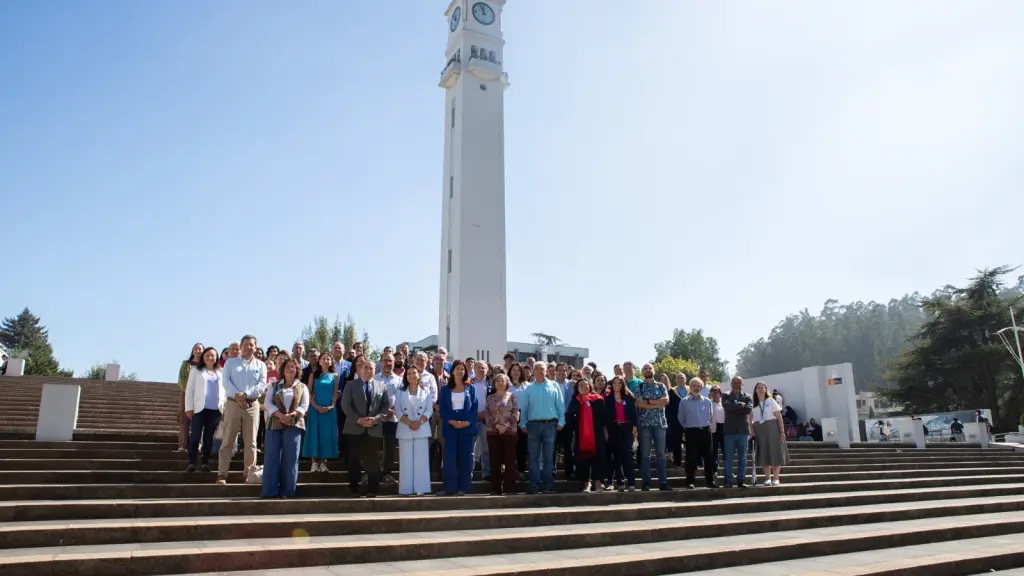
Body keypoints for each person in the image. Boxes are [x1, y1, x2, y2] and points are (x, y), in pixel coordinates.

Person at [217, 335, 267, 485]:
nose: (248, 347)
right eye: (246, 344)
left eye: (251, 345)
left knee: (251, 442)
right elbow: (225, 382)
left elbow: (261, 386)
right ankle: (222, 474)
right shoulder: (231, 362)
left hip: (252, 406)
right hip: (233, 403)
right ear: (241, 346)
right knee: (228, 439)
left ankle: (249, 474)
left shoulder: (261, 365)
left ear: (255, 347)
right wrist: (238, 397)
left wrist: (246, 395)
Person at [340, 358, 390, 497]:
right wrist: (358, 420)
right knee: (354, 459)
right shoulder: (350, 385)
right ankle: (354, 489)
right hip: (355, 428)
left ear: (375, 370)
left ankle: (372, 489)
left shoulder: (381, 386)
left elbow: (385, 406)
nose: (368, 370)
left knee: (373, 460)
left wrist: (376, 419)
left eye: (371, 368)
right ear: (360, 369)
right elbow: (345, 405)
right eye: (365, 367)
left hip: (374, 429)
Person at [261, 358, 309, 498]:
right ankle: (270, 491)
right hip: (275, 423)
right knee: (271, 456)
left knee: (291, 457)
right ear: (283, 369)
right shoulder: (274, 385)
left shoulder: (302, 387)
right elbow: (268, 403)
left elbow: (304, 405)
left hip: (294, 424)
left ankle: (288, 491)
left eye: (293, 367)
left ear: (297, 370)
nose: (290, 369)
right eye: (287, 367)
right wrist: (280, 415)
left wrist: (292, 415)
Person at [521, 361, 565, 494]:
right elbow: (525, 407)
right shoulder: (529, 388)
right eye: (537, 369)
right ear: (533, 371)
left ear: (546, 371)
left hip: (550, 425)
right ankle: (534, 485)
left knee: (548, 457)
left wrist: (561, 421)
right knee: (533, 457)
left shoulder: (554, 385)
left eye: (542, 369)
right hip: (533, 425)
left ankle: (548, 485)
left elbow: (560, 404)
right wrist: (522, 423)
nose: (540, 371)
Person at [439, 360, 478, 496]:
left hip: (467, 427)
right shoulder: (445, 389)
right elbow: (442, 409)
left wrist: (467, 422)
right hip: (450, 426)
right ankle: (449, 488)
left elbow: (474, 408)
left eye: (462, 369)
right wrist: (451, 421)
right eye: (457, 369)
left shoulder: (471, 388)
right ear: (452, 371)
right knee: (449, 458)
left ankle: (464, 488)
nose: (460, 371)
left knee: (466, 458)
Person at [184, 346, 224, 473]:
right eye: (207, 355)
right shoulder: (196, 370)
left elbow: (224, 391)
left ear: (216, 357)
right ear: (203, 357)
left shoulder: (220, 372)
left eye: (212, 355)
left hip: (215, 410)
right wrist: (189, 407)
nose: (210, 358)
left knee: (208, 437)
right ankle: (192, 462)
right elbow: (189, 390)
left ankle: (205, 462)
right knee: (195, 436)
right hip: (199, 409)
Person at [396, 364, 433, 496]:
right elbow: (398, 411)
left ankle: (421, 488)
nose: (411, 376)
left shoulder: (426, 391)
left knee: (421, 460)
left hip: (421, 428)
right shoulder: (400, 391)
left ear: (418, 375)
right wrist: (409, 423)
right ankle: (405, 489)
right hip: (405, 428)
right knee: (405, 460)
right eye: (409, 373)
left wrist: (419, 422)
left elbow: (429, 410)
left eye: (414, 373)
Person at [566, 377, 607, 492]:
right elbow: (570, 418)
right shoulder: (575, 401)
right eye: (581, 385)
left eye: (586, 384)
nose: (584, 387)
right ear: (577, 389)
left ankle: (598, 482)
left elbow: (604, 418)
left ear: (590, 386)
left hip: (596, 433)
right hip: (580, 435)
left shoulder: (597, 400)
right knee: (582, 459)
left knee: (598, 457)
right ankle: (586, 483)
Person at [636, 363, 671, 491]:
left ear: (654, 370)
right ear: (642, 372)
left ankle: (663, 482)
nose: (648, 370)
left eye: (650, 368)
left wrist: (649, 402)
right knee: (645, 455)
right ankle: (646, 483)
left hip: (660, 424)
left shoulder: (661, 386)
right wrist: (658, 403)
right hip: (645, 425)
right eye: (645, 368)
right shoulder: (639, 386)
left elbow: (666, 401)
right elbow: (640, 404)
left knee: (661, 455)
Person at [301, 352, 339, 472]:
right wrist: (316, 407)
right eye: (324, 359)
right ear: (320, 361)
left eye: (328, 359)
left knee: (326, 435)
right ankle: (314, 463)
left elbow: (335, 393)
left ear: (331, 362)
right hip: (315, 409)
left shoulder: (335, 376)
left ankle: (323, 463)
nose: (326, 361)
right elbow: (308, 393)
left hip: (329, 410)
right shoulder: (313, 375)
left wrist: (332, 406)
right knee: (314, 434)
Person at [485, 373, 519, 495]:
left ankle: (510, 488)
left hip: (509, 432)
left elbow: (516, 413)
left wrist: (506, 426)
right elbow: (487, 414)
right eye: (498, 381)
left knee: (510, 461)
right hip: (493, 432)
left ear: (507, 383)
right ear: (494, 383)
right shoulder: (490, 398)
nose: (500, 383)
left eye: (503, 381)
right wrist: (497, 426)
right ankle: (496, 488)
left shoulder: (512, 396)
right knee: (495, 461)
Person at [679, 377, 716, 489]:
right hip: (691, 431)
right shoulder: (684, 402)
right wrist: (688, 428)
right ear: (690, 387)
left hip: (705, 431)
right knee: (691, 457)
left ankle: (710, 481)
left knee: (709, 457)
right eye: (694, 385)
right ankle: (690, 481)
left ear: (701, 387)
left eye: (698, 386)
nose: (696, 387)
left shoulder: (707, 401)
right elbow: (681, 418)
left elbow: (711, 416)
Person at [752, 381, 788, 486]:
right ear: (755, 390)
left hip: (773, 429)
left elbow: (779, 417)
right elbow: (750, 419)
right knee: (764, 453)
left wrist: (782, 432)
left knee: (775, 452)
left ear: (766, 390)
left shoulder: (771, 401)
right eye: (758, 388)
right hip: (760, 430)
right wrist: (752, 431)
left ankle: (776, 478)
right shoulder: (753, 404)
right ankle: (767, 478)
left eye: (762, 387)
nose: (760, 389)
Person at [375, 353, 403, 484]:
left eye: (390, 361)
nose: (387, 363)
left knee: (390, 448)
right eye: (385, 361)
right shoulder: (374, 378)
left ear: (394, 362)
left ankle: (387, 473)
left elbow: (401, 398)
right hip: (376, 419)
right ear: (381, 362)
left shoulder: (399, 380)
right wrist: (382, 412)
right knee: (375, 448)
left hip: (393, 419)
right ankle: (373, 473)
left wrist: (392, 411)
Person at [606, 375, 637, 491]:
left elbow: (634, 414)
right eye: (615, 383)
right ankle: (620, 483)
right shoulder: (608, 399)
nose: (617, 385)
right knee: (616, 457)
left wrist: (635, 428)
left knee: (627, 456)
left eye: (619, 383)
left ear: (623, 385)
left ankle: (631, 483)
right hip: (614, 428)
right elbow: (606, 417)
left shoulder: (629, 398)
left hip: (626, 428)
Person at [721, 376, 753, 488]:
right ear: (731, 384)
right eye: (735, 383)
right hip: (729, 431)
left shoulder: (748, 397)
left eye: (739, 383)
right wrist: (740, 405)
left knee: (742, 458)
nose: (737, 385)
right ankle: (728, 480)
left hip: (743, 431)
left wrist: (735, 406)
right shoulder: (725, 395)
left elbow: (748, 409)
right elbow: (727, 407)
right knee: (728, 457)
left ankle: (741, 480)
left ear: (742, 384)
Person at [178, 343, 204, 452]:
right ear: (192, 351)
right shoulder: (186, 364)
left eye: (200, 349)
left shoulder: (205, 365)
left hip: (200, 394)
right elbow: (181, 379)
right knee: (184, 419)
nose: (198, 350)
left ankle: (198, 444)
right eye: (196, 348)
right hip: (185, 393)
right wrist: (189, 391)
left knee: (199, 419)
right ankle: (183, 444)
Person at [507, 362, 530, 480]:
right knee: (510, 446)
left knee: (522, 446)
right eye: (514, 370)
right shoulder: (506, 385)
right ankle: (509, 471)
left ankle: (521, 470)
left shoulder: (527, 386)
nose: (516, 372)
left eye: (518, 370)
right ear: (510, 372)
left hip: (524, 417)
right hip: (509, 417)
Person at [471, 360, 493, 481]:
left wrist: (487, 414)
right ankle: (469, 473)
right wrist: (474, 414)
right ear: (474, 369)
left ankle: (486, 473)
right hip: (471, 419)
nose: (481, 369)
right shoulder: (468, 383)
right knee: (470, 448)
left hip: (486, 420)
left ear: (487, 370)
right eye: (479, 367)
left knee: (486, 449)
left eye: (483, 367)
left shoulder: (492, 384)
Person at [666, 373, 686, 468]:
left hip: (689, 420)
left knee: (692, 442)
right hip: (676, 421)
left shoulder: (690, 390)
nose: (680, 379)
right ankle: (677, 463)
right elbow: (668, 408)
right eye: (678, 378)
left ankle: (693, 462)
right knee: (677, 443)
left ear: (685, 379)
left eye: (682, 378)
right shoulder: (671, 391)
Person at [709, 385, 725, 478]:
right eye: (713, 393)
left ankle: (727, 469)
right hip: (714, 429)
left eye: (717, 393)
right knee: (714, 451)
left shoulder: (724, 403)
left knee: (725, 450)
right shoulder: (709, 403)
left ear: (720, 394)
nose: (715, 395)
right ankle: (714, 469)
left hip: (723, 428)